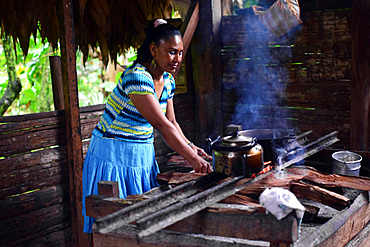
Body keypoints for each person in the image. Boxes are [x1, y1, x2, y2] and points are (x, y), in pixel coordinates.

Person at [82, 18, 213, 233]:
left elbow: (172, 122)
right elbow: (160, 124)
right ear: (153, 49)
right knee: (114, 226)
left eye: (180, 52)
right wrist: (193, 159)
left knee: (142, 223)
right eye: (171, 52)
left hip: (142, 157)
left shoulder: (168, 81)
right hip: (113, 156)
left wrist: (191, 147)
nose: (177, 59)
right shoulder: (136, 77)